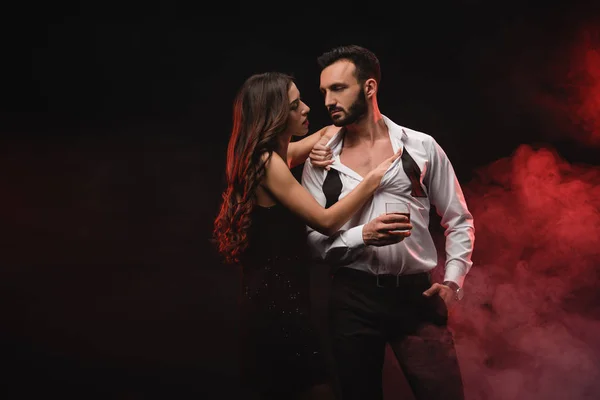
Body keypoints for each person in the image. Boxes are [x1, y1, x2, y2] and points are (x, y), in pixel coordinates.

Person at [212, 71, 409, 399]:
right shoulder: (266, 163)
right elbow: (327, 221)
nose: (306, 108)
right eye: (294, 106)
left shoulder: (265, 156)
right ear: (274, 117)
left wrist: (333, 130)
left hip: (277, 306)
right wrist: (373, 180)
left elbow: (323, 135)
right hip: (278, 313)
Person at [301, 45, 475, 400]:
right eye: (323, 92)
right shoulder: (320, 160)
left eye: (338, 88)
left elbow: (459, 219)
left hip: (416, 296)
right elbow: (314, 242)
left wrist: (453, 283)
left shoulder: (421, 146)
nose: (328, 100)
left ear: (368, 88)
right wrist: (361, 236)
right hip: (352, 297)